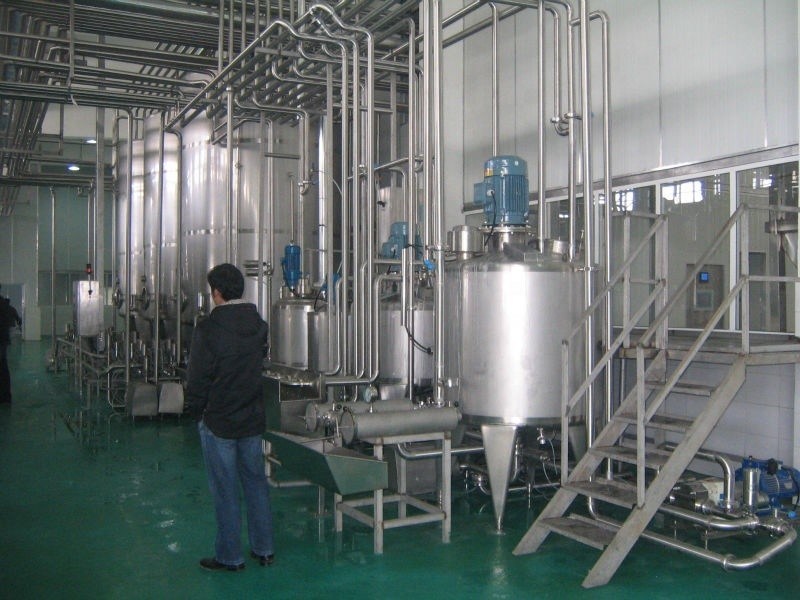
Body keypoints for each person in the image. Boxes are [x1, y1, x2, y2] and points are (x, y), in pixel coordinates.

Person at [186, 263, 275, 571]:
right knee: (256, 484)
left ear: (217, 293)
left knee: (225, 490)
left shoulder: (208, 330)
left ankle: (229, 556)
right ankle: (264, 548)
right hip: (251, 417)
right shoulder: (259, 326)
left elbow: (198, 378)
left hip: (219, 420)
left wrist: (195, 410)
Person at [0, 289, 22, 404]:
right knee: (3, 366)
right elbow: (16, 318)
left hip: (2, 338)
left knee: (2, 366)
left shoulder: (2, 305)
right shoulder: (6, 305)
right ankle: (5, 396)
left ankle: (5, 396)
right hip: (4, 337)